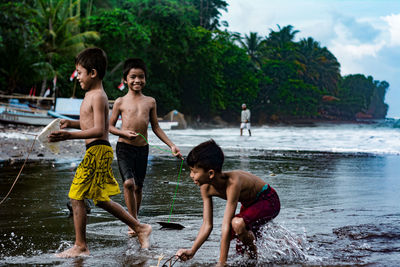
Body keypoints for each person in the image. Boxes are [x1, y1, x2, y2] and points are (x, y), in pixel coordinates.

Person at [48, 48, 152, 258]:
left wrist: (69, 135)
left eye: (79, 73)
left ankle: (81, 245)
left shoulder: (97, 96)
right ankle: (140, 227)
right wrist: (72, 123)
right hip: (97, 150)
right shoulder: (92, 95)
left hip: (97, 150)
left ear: (92, 73)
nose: (77, 77)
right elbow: (93, 123)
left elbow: (98, 130)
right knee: (99, 198)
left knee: (76, 195)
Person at [175, 140, 280, 266]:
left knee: (237, 224)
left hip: (268, 200)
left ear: (211, 173)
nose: (191, 175)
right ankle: (256, 257)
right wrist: (192, 250)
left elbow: (226, 224)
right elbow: (207, 224)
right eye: (191, 171)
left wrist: (221, 263)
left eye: (195, 171)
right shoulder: (205, 187)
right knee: (238, 247)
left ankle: (254, 261)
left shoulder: (233, 183)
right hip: (249, 206)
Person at [109, 58, 182, 235]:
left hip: (142, 149)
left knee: (138, 187)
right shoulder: (120, 101)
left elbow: (155, 127)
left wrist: (171, 145)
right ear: (125, 79)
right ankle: (133, 222)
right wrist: (123, 133)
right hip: (124, 147)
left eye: (141, 77)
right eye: (133, 77)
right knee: (128, 183)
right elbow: (110, 127)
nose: (137, 80)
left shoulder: (150, 102)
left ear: (145, 79)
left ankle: (135, 218)